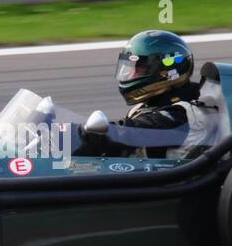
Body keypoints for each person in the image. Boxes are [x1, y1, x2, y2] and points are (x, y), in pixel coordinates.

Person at [85, 30, 218, 158]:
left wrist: (78, 136)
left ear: (165, 72)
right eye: (129, 67)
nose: (129, 74)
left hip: (173, 180)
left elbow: (127, 134)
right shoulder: (149, 106)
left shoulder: (179, 115)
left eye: (138, 69)